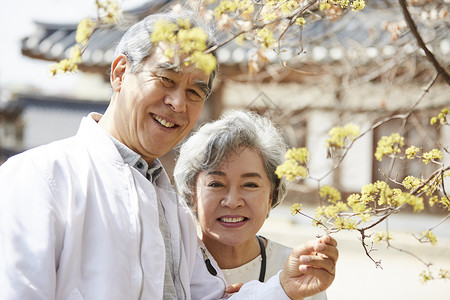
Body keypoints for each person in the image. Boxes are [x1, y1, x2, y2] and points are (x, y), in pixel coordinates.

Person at [0, 9, 336, 300]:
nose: (177, 103)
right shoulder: (43, 177)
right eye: (166, 79)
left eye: (194, 91)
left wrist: (283, 287)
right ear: (119, 73)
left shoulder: (170, 206)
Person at [174, 110, 337, 299]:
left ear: (271, 196)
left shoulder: (299, 271)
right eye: (216, 184)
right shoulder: (170, 266)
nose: (232, 202)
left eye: (250, 185)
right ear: (191, 193)